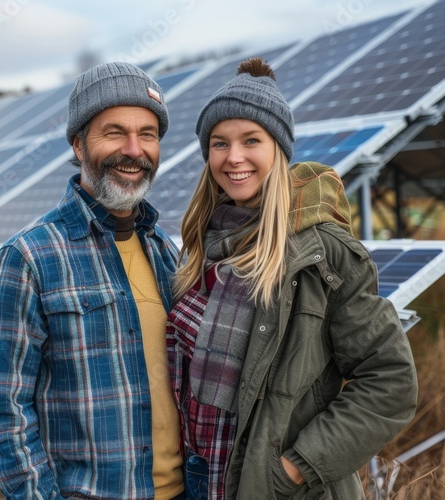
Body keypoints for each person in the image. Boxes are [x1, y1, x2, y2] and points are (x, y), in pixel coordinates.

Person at [168, 57, 418, 499]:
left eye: (251, 140)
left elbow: (391, 382)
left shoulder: (322, 252)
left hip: (274, 488)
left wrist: (293, 469)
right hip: (200, 478)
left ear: (279, 149)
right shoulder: (201, 245)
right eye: (220, 143)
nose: (234, 157)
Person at [0, 62, 184, 499]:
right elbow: (1, 416)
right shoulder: (27, 260)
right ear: (78, 144)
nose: (134, 149)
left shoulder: (165, 251)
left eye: (147, 134)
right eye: (114, 132)